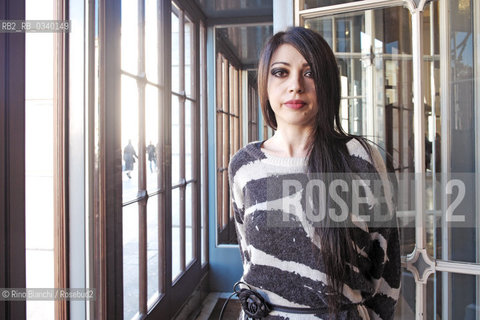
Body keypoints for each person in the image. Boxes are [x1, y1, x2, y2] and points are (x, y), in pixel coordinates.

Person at [228, 27, 400, 320]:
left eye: (310, 73)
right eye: (281, 72)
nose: (295, 85)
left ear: (328, 84)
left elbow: (385, 267)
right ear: (265, 84)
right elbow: (249, 257)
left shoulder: (360, 159)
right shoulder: (245, 165)